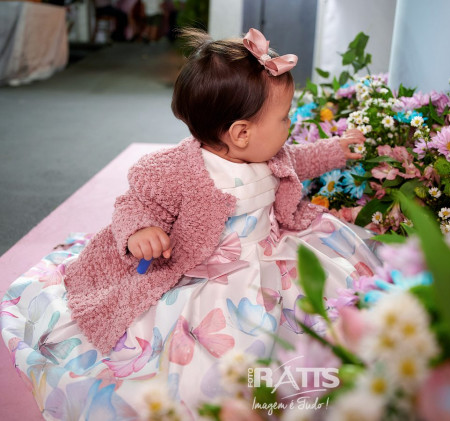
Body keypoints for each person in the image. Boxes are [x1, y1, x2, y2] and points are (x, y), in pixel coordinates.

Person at [2, 28, 380, 417]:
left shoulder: (270, 155)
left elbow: (300, 160)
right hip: (208, 270)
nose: (289, 127)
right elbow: (135, 203)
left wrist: (335, 150)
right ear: (241, 133)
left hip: (272, 248)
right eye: (284, 118)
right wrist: (140, 232)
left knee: (330, 296)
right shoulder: (177, 170)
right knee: (225, 346)